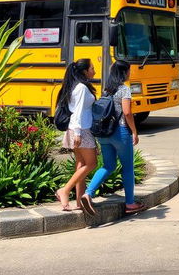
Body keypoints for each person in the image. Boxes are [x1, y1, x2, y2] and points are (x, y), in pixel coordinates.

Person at [80, 60, 145, 215]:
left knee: (108, 166)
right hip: (120, 132)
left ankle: (88, 193)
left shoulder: (106, 90)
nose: (130, 73)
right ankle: (130, 203)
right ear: (124, 72)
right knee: (128, 167)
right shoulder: (124, 89)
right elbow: (127, 113)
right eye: (129, 71)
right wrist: (134, 131)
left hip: (104, 134)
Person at [55, 58, 97, 211]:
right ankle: (64, 190)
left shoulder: (74, 86)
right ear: (85, 71)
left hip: (76, 129)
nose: (94, 71)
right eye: (92, 68)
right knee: (92, 164)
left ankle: (79, 202)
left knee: (80, 164)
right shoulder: (81, 88)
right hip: (81, 129)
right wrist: (78, 133)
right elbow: (77, 111)